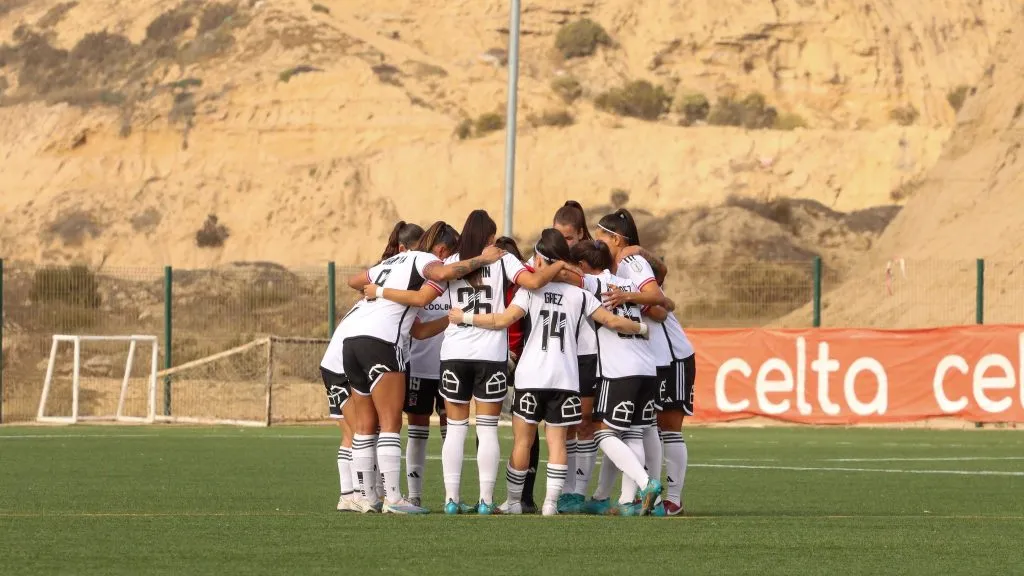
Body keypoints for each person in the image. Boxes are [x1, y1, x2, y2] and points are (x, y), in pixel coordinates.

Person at [448, 229, 659, 516]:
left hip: (531, 376)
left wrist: (466, 317)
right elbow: (612, 321)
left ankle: (512, 503)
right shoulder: (579, 294)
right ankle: (550, 504)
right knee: (558, 442)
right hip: (566, 378)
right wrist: (642, 328)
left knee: (524, 440)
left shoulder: (530, 291)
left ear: (541, 258)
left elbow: (503, 320)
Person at [341, 225, 504, 514]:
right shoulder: (429, 265)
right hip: (396, 350)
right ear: (441, 250)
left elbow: (355, 281)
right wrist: (483, 260)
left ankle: (366, 498)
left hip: (355, 343)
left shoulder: (393, 263)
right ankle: (399, 498)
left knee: (367, 426)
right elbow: (425, 295)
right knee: (395, 424)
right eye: (448, 254)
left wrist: (379, 292)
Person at [437, 209, 573, 515]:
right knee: (486, 429)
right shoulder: (503, 259)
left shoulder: (451, 262)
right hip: (490, 355)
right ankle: (486, 501)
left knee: (456, 429)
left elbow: (437, 278)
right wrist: (560, 265)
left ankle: (451, 499)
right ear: (489, 237)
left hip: (455, 352)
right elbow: (535, 281)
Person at [594, 208, 696, 516]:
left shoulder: (631, 262)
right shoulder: (616, 268)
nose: (597, 241)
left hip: (672, 355)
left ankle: (673, 499)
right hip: (649, 359)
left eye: (601, 236)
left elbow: (657, 300)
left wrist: (629, 299)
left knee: (668, 428)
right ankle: (637, 497)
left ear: (616, 239)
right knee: (643, 428)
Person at [404, 222, 460, 507]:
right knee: (417, 430)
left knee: (452, 429)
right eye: (450, 252)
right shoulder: (417, 279)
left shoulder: (455, 279)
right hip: (420, 367)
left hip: (450, 366)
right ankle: (414, 495)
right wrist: (451, 318)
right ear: (440, 250)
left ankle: (453, 496)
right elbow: (417, 330)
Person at [493, 236, 541, 513]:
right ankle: (520, 497)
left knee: (518, 429)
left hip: (513, 359)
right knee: (525, 430)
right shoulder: (522, 281)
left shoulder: (520, 283)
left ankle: (514, 496)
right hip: (512, 359)